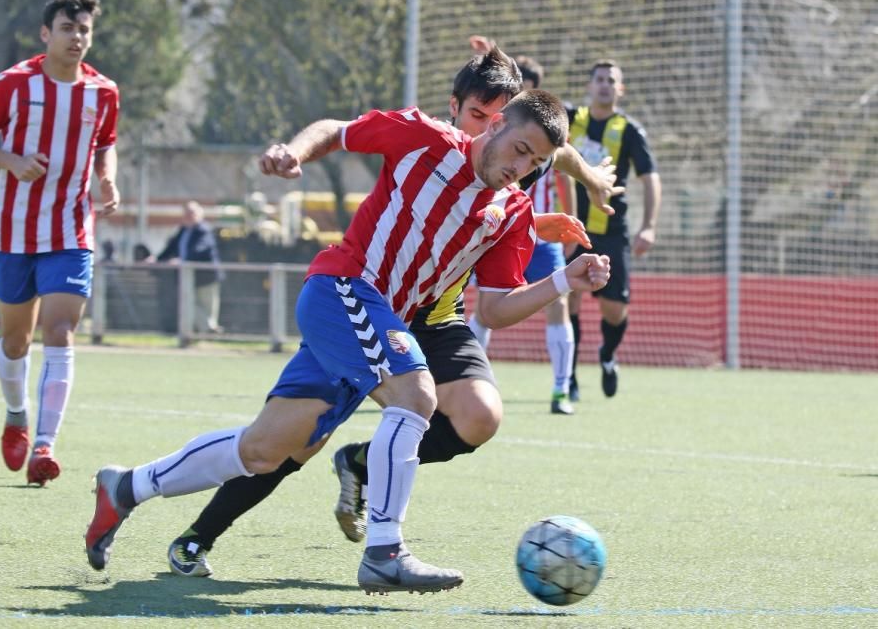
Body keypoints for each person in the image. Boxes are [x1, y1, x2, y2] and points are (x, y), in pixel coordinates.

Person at [85, 87, 610, 595]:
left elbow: (494, 307)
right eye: (520, 149)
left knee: (266, 449)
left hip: (376, 323)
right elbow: (337, 131)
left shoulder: (511, 212)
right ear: (494, 124)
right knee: (416, 396)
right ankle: (385, 553)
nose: (522, 167)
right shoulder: (421, 138)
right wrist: (294, 152)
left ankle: (127, 486)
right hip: (342, 287)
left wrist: (564, 280)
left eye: (536, 161)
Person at [0, 0, 120, 486]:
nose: (77, 38)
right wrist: (11, 161)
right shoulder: (13, 84)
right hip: (13, 232)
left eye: (84, 30)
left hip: (71, 230)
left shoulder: (103, 92)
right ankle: (16, 416)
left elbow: (106, 143)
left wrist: (108, 177)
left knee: (61, 331)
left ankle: (46, 445)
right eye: (68, 29)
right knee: (14, 339)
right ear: (46, 34)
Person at [467, 54, 580, 415]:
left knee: (557, 303)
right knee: (482, 310)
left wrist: (572, 219)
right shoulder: (499, 128)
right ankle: (466, 381)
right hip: (493, 228)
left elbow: (564, 173)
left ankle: (562, 389)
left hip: (540, 234)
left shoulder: (549, 138)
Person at [565, 60, 662, 401]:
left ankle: (607, 354)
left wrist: (648, 226)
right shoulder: (570, 119)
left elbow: (650, 179)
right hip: (571, 228)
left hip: (611, 231)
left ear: (620, 89)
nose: (605, 85)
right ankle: (568, 378)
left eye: (612, 81)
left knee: (614, 310)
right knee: (568, 300)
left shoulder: (629, 130)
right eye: (599, 79)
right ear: (589, 86)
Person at [156, 201, 225, 334]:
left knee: (206, 307)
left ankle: (208, 331)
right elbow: (171, 248)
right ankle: (208, 329)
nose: (189, 216)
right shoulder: (183, 230)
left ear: (200, 214)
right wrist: (157, 259)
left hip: (206, 277)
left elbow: (200, 249)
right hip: (188, 276)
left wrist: (182, 260)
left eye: (192, 213)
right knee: (187, 303)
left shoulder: (203, 230)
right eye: (187, 213)